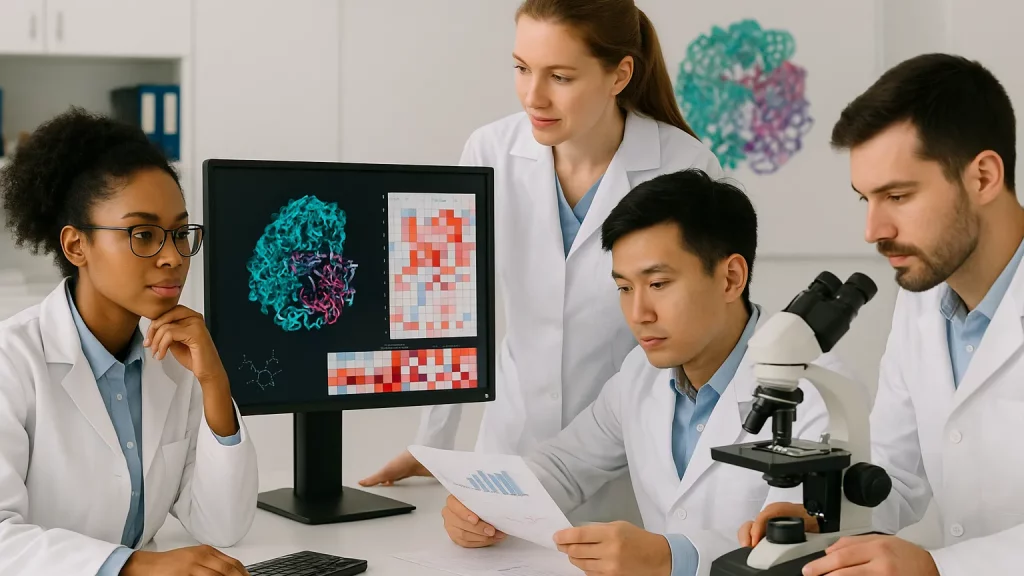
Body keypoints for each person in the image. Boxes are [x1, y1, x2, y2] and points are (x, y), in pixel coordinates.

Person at [360, 0, 722, 524]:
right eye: (522, 68)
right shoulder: (488, 150)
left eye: (560, 76)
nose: (534, 96)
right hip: (508, 453)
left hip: (632, 463)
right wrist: (433, 447)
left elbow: (712, 334)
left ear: (620, 74)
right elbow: (447, 310)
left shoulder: (687, 167)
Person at [440, 169, 848, 576]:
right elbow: (565, 464)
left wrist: (672, 557)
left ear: (730, 278)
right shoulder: (641, 372)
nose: (638, 314)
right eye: (624, 288)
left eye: (657, 284)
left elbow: (806, 540)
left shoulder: (815, 392)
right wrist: (486, 504)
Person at [738, 53, 1024, 575]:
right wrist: (824, 514)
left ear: (983, 177)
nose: (873, 230)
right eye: (865, 199)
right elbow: (897, 473)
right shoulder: (921, 301)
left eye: (897, 195)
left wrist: (941, 569)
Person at [0, 108, 257, 576]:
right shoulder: (11, 363)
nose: (173, 258)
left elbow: (223, 525)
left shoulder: (176, 361)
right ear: (77, 246)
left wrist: (215, 382)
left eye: (180, 234)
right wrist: (134, 566)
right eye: (143, 234)